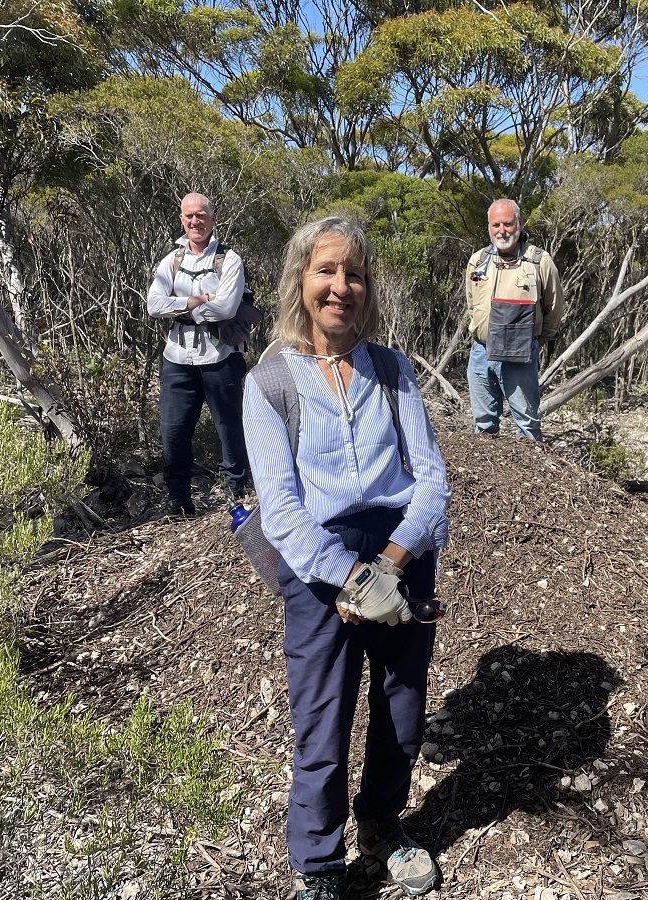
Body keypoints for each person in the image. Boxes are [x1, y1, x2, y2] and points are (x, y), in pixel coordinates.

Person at [243, 218, 451, 900]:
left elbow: (431, 480)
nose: (341, 287)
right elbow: (280, 510)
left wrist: (389, 564)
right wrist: (349, 576)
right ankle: (318, 863)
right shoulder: (269, 384)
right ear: (299, 280)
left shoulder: (392, 370)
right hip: (318, 567)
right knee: (322, 719)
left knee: (401, 709)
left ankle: (383, 824)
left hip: (400, 550)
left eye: (354, 274)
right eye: (326, 271)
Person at [147, 192, 250, 516]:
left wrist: (178, 308)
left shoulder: (229, 260)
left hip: (221, 356)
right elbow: (153, 305)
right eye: (189, 216)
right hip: (177, 357)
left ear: (212, 218)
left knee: (229, 428)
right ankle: (180, 503)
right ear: (182, 219)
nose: (195, 221)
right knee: (173, 432)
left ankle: (236, 497)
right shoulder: (171, 262)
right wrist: (196, 300)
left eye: (201, 215)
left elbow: (226, 307)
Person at [465, 198, 563, 440]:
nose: (502, 230)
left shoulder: (539, 261)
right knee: (483, 425)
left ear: (519, 223)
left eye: (507, 224)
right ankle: (487, 475)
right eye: (495, 224)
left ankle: (533, 476)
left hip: (520, 354)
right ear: (488, 226)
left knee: (527, 425)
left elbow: (554, 307)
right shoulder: (477, 261)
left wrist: (537, 340)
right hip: (481, 352)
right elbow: (471, 303)